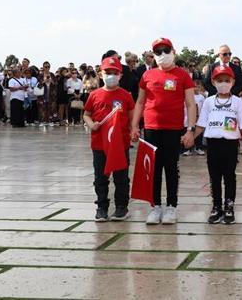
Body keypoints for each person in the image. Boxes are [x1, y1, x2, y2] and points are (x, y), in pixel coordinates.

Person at [131, 37, 196, 225]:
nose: (162, 55)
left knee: (171, 169)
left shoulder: (183, 76)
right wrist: (135, 125)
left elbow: (191, 104)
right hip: (151, 129)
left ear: (173, 51)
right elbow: (140, 102)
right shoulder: (147, 76)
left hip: (174, 130)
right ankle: (155, 206)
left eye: (165, 50)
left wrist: (190, 130)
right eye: (157, 52)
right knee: (153, 169)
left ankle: (171, 207)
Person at [193, 65, 242, 224]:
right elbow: (201, 123)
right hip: (213, 144)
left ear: (233, 82)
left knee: (229, 176)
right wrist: (191, 137)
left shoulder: (238, 102)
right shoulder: (209, 102)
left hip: (230, 145)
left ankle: (229, 207)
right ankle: (216, 206)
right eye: (220, 80)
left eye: (227, 80)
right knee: (214, 176)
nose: (223, 83)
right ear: (213, 82)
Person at [83, 57, 135, 222]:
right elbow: (86, 114)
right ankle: (102, 207)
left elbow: (132, 118)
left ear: (120, 75)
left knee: (121, 177)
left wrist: (134, 130)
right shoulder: (94, 95)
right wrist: (91, 125)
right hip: (99, 143)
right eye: (108, 72)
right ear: (101, 74)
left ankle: (121, 207)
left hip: (120, 144)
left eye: (115, 73)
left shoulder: (126, 96)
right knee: (100, 177)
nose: (111, 75)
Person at [182, 81, 207, 156]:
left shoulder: (202, 97)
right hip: (188, 118)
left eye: (198, 87)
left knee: (198, 133)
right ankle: (187, 149)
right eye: (195, 87)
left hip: (198, 118)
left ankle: (198, 148)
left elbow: (203, 107)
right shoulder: (188, 96)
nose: (196, 89)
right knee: (188, 132)